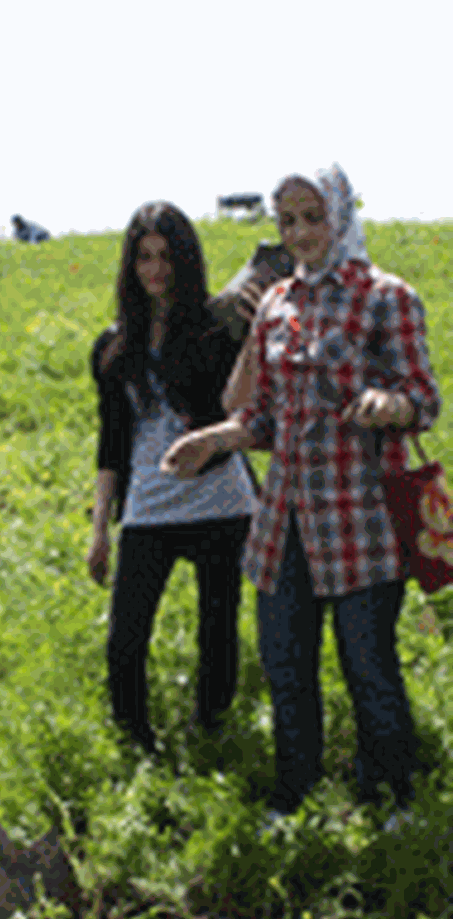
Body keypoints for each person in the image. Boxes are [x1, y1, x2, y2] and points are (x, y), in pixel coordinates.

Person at [161, 164, 442, 827]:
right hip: (283, 521)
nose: (300, 233)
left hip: (360, 519)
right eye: (288, 221)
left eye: (313, 217)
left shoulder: (385, 297)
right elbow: (265, 417)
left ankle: (394, 795)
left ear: (340, 217)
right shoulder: (277, 304)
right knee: (286, 665)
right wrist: (215, 440)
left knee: (368, 667)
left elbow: (424, 400)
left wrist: (387, 402)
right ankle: (295, 793)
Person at [88, 202, 268, 756]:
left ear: (185, 259)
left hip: (223, 500)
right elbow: (112, 442)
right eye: (143, 257)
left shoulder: (220, 326)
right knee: (125, 639)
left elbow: (247, 406)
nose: (155, 269)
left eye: (166, 256)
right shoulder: (114, 345)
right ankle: (134, 740)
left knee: (218, 626)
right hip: (150, 505)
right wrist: (100, 529)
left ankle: (212, 729)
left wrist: (257, 332)